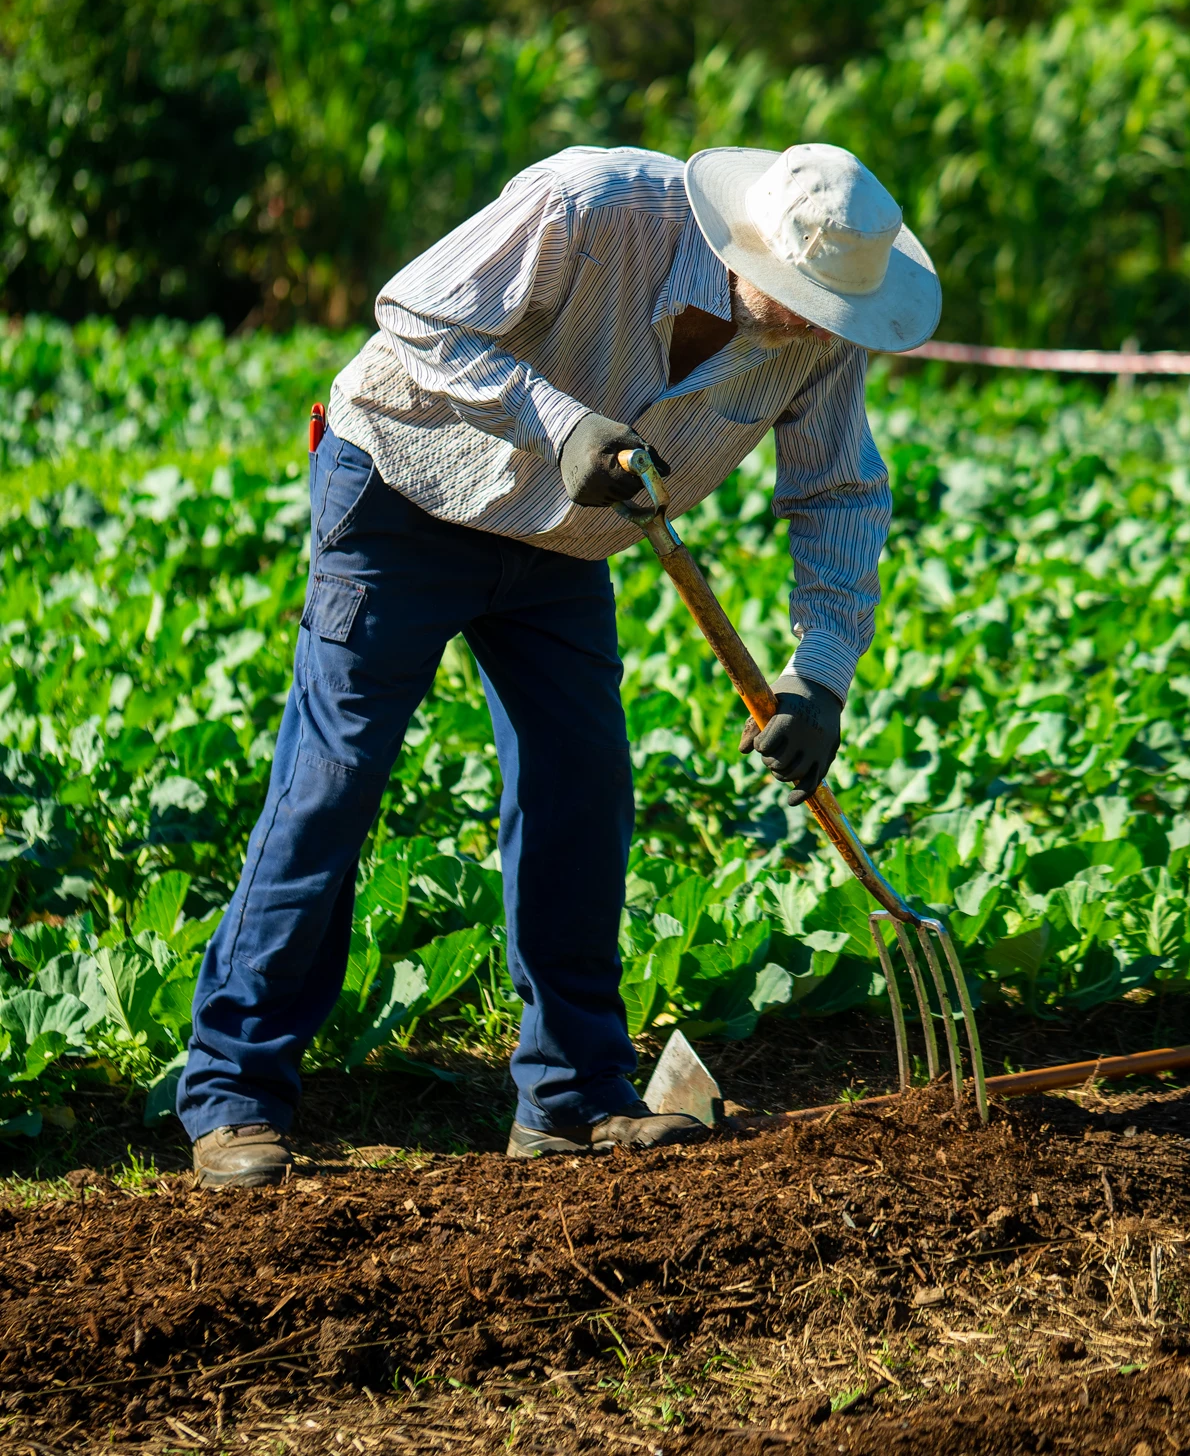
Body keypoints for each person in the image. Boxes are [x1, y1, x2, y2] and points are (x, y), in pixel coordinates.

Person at [177, 143, 940, 1186]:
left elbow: (838, 493)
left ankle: (572, 1096)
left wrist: (821, 671)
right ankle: (234, 1094)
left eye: (829, 308)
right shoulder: (593, 206)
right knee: (336, 777)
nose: (812, 322)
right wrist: (562, 422)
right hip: (404, 488)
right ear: (743, 244)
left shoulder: (822, 327)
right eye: (799, 295)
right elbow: (413, 315)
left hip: (565, 549)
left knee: (580, 789)